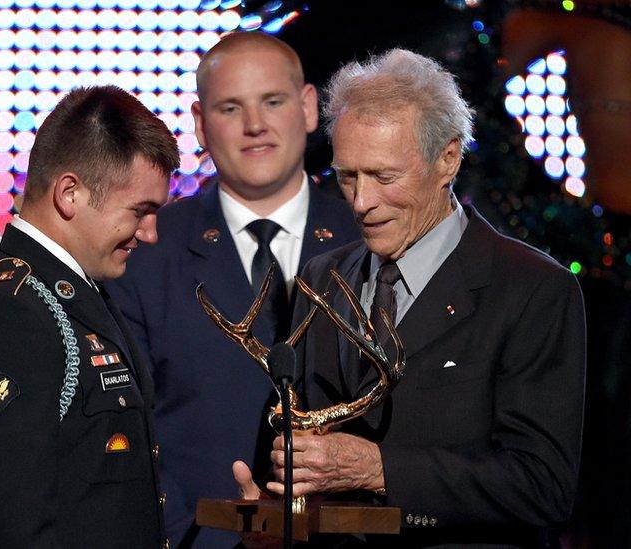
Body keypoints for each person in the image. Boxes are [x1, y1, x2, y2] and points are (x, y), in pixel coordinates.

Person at [247, 48, 585, 546]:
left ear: (448, 158)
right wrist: (275, 508)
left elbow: (542, 486)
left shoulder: (532, 289)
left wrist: (377, 469)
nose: (361, 202)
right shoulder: (322, 277)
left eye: (384, 177)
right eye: (347, 177)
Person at [106, 31, 359, 546]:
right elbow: (126, 430)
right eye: (230, 108)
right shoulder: (144, 251)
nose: (255, 126)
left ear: (308, 108)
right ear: (200, 124)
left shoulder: (369, 240)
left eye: (272, 101)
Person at [0, 85, 180, 548]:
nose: (150, 234)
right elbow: (5, 529)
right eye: (140, 211)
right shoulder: (7, 314)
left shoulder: (76, 295)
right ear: (70, 193)